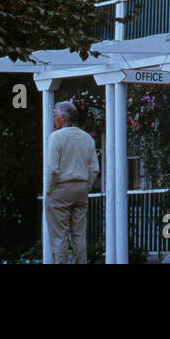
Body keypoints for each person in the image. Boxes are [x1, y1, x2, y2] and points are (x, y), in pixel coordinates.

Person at [45, 101, 100, 264]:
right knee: (79, 234)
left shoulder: (56, 137)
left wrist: (49, 191)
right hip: (81, 188)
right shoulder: (87, 138)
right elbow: (94, 169)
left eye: (55, 116)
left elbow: (52, 169)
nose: (54, 119)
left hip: (61, 188)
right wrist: (86, 187)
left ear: (63, 117)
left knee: (59, 235)